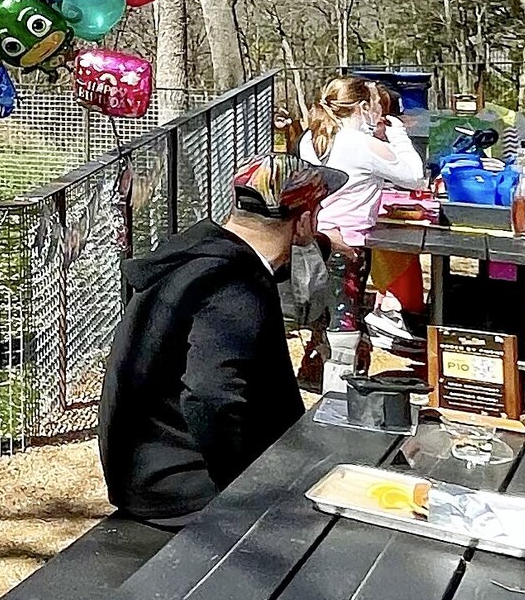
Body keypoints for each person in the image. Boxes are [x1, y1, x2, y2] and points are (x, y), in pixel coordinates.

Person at [97, 151, 342, 527]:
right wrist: (248, 486)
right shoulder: (234, 283)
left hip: (150, 474)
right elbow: (210, 395)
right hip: (186, 493)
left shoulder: (195, 260)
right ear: (306, 222)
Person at [307, 75, 428, 369]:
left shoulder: (311, 139)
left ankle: (316, 367)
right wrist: (398, 135)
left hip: (314, 237)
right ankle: (340, 384)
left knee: (320, 310)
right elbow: (415, 176)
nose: (380, 111)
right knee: (345, 314)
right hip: (348, 244)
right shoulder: (361, 144)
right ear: (362, 107)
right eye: (375, 104)